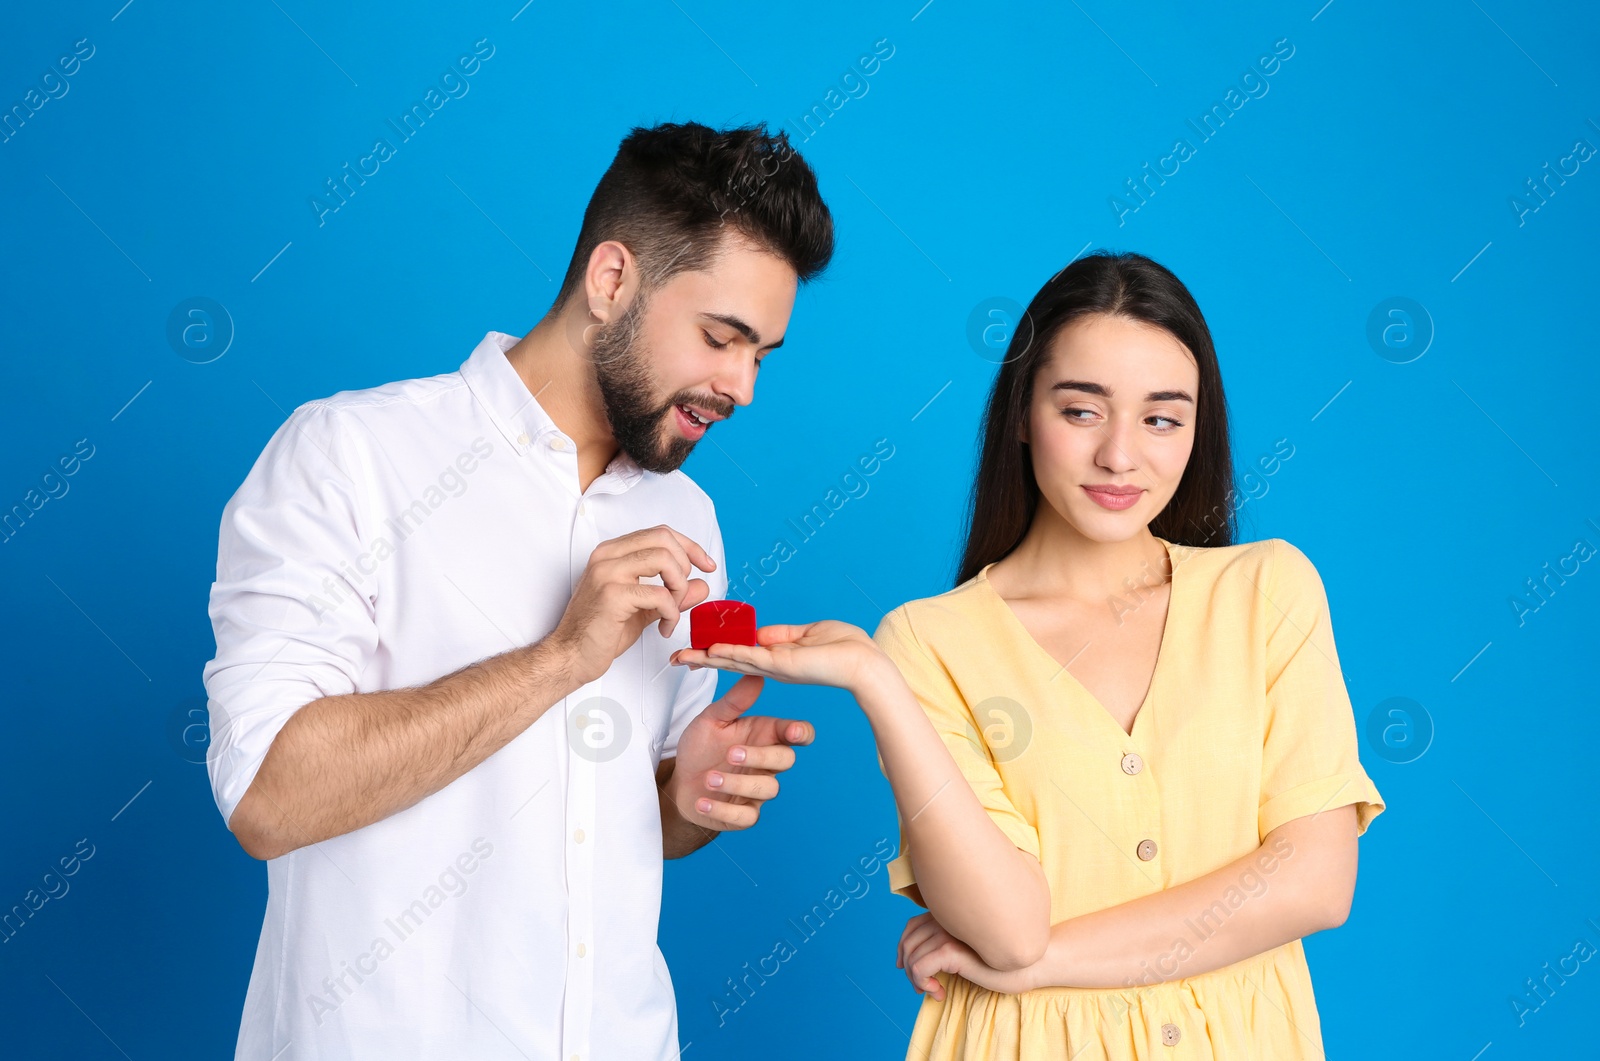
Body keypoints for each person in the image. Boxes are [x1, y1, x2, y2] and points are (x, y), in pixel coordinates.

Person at [202, 120, 833, 1060]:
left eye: (762, 355)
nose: (741, 387)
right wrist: (560, 658)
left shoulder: (690, 517)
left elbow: (626, 821)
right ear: (611, 280)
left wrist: (685, 795)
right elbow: (267, 797)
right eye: (720, 337)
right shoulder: (350, 457)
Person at [671, 251, 1385, 1059]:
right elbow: (1008, 930)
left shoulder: (1267, 591)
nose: (1121, 456)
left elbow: (1315, 882)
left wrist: (1051, 962)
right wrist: (875, 680)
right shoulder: (929, 641)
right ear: (1021, 411)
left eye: (1161, 418)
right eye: (1082, 411)